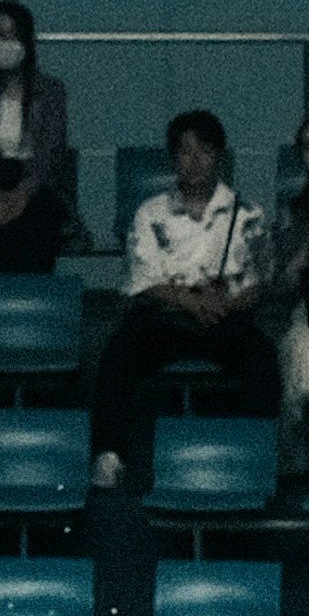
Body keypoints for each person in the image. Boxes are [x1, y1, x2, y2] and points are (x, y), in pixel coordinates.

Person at [92, 107, 275, 488]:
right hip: (166, 316)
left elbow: (259, 282)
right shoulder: (150, 213)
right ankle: (109, 456)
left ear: (219, 157)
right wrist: (191, 302)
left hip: (224, 316)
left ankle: (257, 461)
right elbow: (142, 279)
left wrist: (225, 305)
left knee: (261, 357)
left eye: (204, 151)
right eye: (184, 152)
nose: (194, 162)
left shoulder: (248, 214)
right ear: (172, 157)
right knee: (119, 351)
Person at [0, 0, 77, 276]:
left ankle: (36, 299)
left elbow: (50, 151)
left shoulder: (52, 90)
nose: (5, 44)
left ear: (27, 41)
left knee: (38, 216)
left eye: (13, 35)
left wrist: (23, 193)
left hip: (36, 181)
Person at [275, 117, 309, 476]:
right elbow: (285, 284)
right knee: (302, 354)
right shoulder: (299, 209)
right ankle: (297, 462)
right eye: (308, 146)